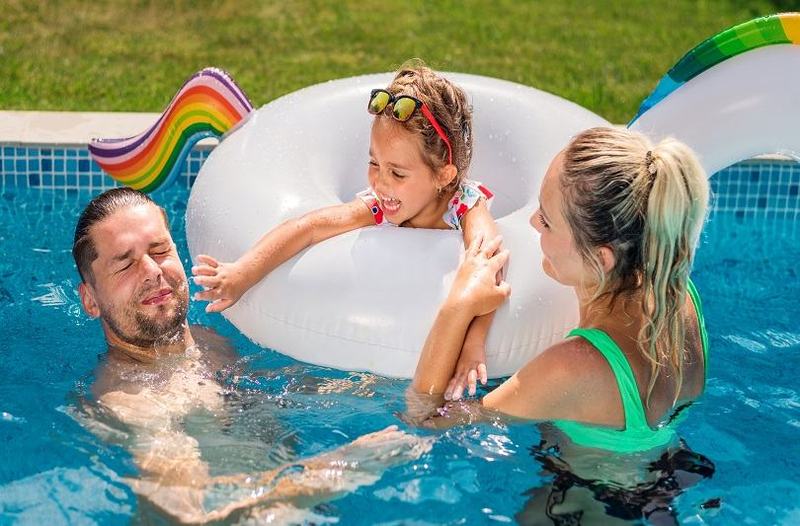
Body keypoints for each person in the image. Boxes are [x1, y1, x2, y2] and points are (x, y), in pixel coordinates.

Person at [73, 187, 430, 523]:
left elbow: (266, 394)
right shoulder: (135, 402)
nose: (152, 271)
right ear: (90, 299)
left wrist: (376, 390)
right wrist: (340, 467)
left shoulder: (208, 342)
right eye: (125, 264)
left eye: (160, 250)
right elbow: (192, 515)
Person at [410, 127, 711, 521]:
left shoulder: (573, 368)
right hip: (667, 477)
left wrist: (458, 306)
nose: (533, 223)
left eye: (548, 222)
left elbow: (427, 419)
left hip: (590, 504)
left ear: (601, 260)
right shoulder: (681, 298)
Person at [192, 61, 500, 387]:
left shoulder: (465, 206)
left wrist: (473, 342)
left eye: (397, 173)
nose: (380, 183)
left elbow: (488, 267)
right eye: (373, 163)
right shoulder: (380, 205)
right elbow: (308, 227)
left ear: (443, 175)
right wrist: (242, 274)